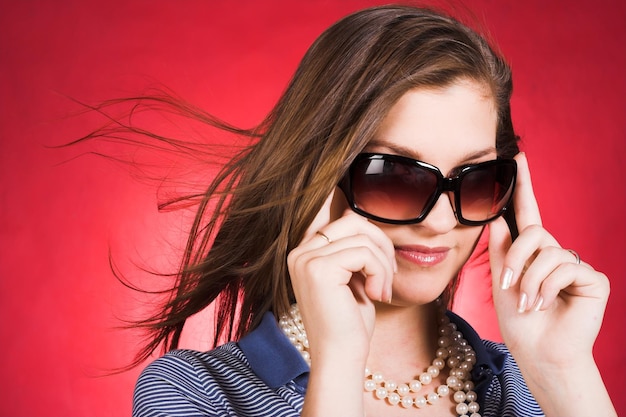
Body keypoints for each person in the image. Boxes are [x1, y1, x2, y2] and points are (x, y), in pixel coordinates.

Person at [128, 5, 616, 417]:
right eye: (395, 178)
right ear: (317, 174)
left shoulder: (533, 384)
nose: (439, 222)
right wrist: (338, 362)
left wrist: (562, 374)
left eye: (476, 180)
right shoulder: (193, 392)